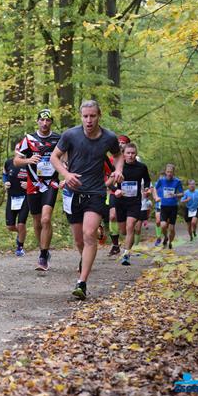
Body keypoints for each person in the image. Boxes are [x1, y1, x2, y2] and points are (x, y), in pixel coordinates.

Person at [51, 99, 123, 300]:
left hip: (96, 192)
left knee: (89, 233)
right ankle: (84, 259)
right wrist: (66, 175)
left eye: (92, 116)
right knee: (79, 240)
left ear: (99, 116)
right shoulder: (70, 135)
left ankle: (81, 283)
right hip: (74, 192)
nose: (89, 120)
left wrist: (118, 170)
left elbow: (118, 156)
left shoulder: (109, 137)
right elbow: (54, 157)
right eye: (85, 116)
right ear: (80, 117)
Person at [13, 109, 62, 271]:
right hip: (33, 184)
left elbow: (66, 158)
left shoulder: (58, 139)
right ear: (37, 121)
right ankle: (43, 249)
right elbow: (16, 161)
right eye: (42, 120)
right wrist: (29, 160)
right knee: (37, 220)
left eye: (48, 120)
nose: (45, 123)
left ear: (51, 122)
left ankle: (43, 255)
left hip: (51, 183)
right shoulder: (29, 139)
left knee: (46, 219)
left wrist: (66, 172)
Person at [113, 143, 151, 265]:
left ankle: (126, 254)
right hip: (120, 201)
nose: (130, 155)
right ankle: (127, 244)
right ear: (123, 154)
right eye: (128, 153)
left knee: (130, 226)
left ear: (136, 154)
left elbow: (147, 180)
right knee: (123, 231)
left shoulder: (142, 167)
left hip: (134, 202)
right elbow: (108, 182)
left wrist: (147, 188)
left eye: (133, 153)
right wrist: (115, 190)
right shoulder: (118, 167)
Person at [107, 135, 131, 256]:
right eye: (119, 142)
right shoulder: (111, 160)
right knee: (112, 216)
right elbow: (106, 177)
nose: (121, 144)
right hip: (113, 191)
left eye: (123, 142)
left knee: (126, 224)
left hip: (129, 193)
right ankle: (115, 245)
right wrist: (114, 188)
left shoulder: (132, 159)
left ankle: (129, 242)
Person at [153, 164, 184, 249]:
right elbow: (154, 188)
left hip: (173, 207)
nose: (169, 173)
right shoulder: (161, 180)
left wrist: (175, 195)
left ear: (173, 172)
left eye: (171, 172)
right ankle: (166, 237)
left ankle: (170, 242)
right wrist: (156, 197)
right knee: (163, 225)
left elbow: (182, 193)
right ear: (165, 172)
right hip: (163, 206)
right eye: (168, 172)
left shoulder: (177, 181)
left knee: (172, 229)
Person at [3, 156, 29, 256]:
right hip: (12, 197)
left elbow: (37, 178)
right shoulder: (9, 162)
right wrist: (5, 182)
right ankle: (21, 232)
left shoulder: (30, 162)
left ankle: (20, 247)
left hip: (26, 197)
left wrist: (29, 184)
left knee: (21, 224)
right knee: (10, 226)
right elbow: (4, 174)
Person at [153, 172, 165, 247]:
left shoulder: (168, 184)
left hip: (167, 205)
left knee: (165, 224)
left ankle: (166, 237)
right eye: (160, 177)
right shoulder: (156, 184)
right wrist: (155, 197)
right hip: (158, 205)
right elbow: (153, 192)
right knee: (157, 221)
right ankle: (158, 237)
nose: (161, 179)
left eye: (163, 177)